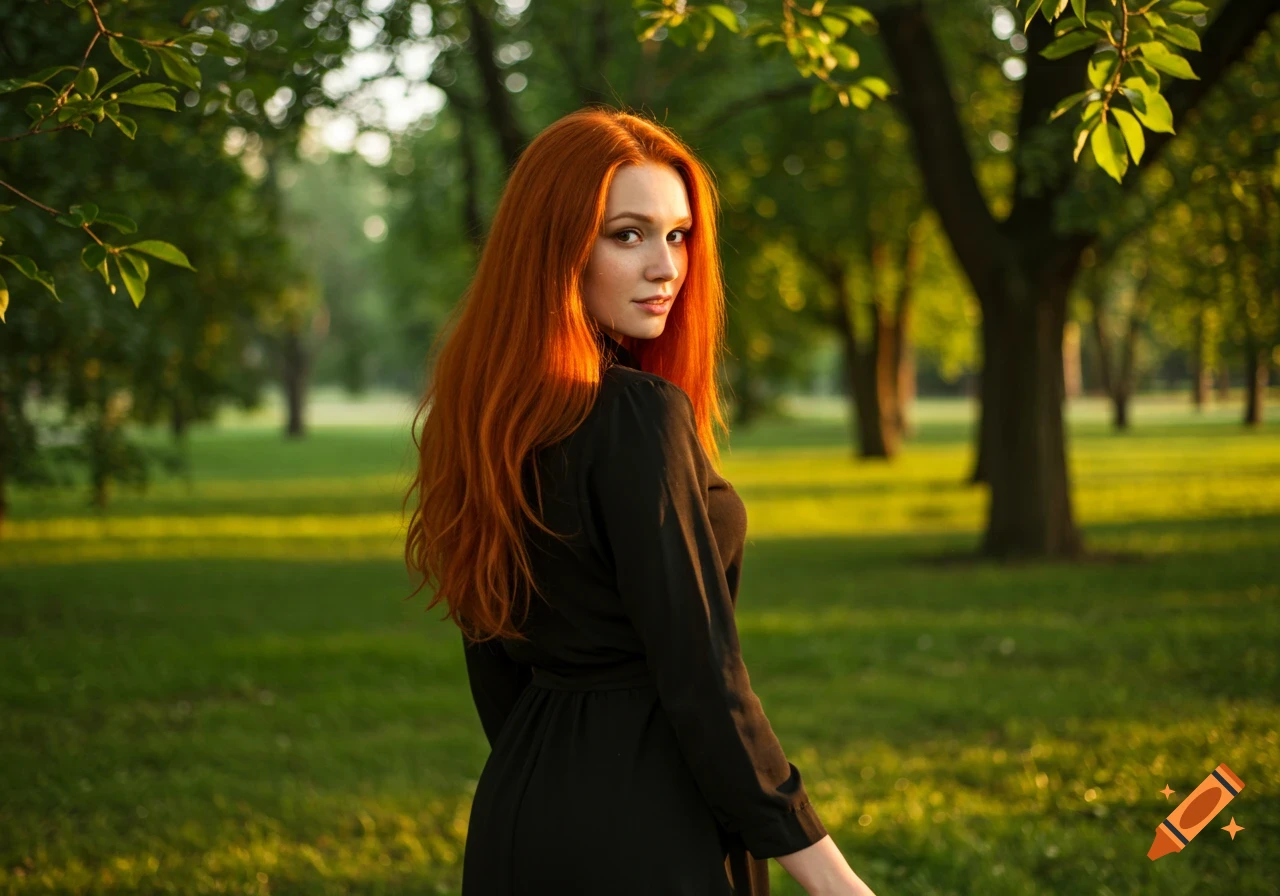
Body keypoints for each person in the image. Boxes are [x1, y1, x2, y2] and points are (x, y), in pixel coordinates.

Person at [403, 107, 878, 896]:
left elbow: (493, 660)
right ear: (555, 248)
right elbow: (701, 676)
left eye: (678, 235)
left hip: (522, 808)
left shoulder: (484, 420)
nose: (667, 267)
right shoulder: (634, 415)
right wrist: (833, 880)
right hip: (651, 820)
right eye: (628, 235)